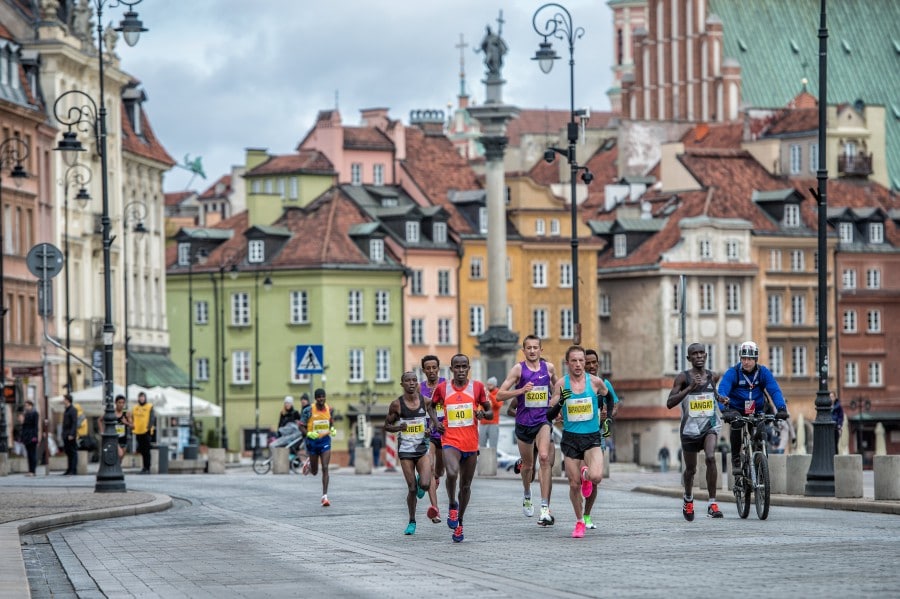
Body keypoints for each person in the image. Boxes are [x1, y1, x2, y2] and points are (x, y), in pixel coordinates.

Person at [427, 353, 491, 542]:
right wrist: (436, 422)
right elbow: (430, 407)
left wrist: (482, 414)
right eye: (457, 367)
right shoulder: (443, 388)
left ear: (468, 368)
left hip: (470, 443)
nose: (461, 370)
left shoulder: (477, 387)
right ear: (451, 369)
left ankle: (460, 523)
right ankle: (452, 505)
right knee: (452, 472)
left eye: (464, 367)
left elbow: (489, 410)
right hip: (450, 440)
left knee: (466, 486)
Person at [546, 345, 609, 538]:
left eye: (581, 360)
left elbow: (608, 396)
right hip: (571, 439)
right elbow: (549, 414)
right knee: (574, 485)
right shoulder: (561, 384)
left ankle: (586, 475)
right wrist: (561, 402)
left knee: (596, 476)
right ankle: (580, 521)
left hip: (591, 437)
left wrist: (606, 417)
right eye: (574, 361)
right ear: (568, 363)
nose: (578, 364)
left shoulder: (596, 382)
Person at [496, 335, 558, 525]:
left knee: (544, 458)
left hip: (542, 421)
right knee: (528, 466)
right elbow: (499, 395)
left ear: (541, 350)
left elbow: (558, 390)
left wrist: (555, 406)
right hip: (523, 424)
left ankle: (545, 508)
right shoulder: (518, 369)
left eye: (535, 347)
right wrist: (520, 391)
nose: (532, 351)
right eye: (528, 348)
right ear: (523, 351)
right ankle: (527, 493)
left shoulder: (549, 368)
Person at [668, 343, 724, 520]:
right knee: (691, 470)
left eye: (701, 353)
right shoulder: (682, 377)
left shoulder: (713, 376)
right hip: (690, 430)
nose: (699, 356)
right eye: (695, 354)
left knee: (710, 457)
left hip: (709, 426)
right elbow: (669, 403)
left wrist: (721, 399)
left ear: (706, 355)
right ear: (688, 358)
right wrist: (689, 388)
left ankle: (712, 504)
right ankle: (688, 498)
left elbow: (713, 395)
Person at [717, 340, 789, 477]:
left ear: (756, 359)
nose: (746, 362)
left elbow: (774, 390)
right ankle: (736, 460)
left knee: (761, 431)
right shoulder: (733, 372)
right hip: (736, 409)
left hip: (756, 409)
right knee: (736, 425)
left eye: (749, 359)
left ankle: (760, 461)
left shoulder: (763, 372)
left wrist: (781, 408)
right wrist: (725, 410)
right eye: (743, 358)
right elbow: (722, 391)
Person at [383, 371, 433, 535]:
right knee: (412, 489)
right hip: (405, 450)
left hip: (421, 448)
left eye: (414, 380)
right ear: (402, 384)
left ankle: (421, 480)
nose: (411, 383)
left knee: (425, 485)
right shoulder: (396, 405)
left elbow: (433, 418)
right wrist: (399, 427)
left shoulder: (425, 401)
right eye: (408, 381)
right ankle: (412, 521)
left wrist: (429, 429)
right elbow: (387, 426)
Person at [582, 347, 620, 530]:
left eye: (594, 362)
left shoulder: (604, 384)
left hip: (598, 434)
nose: (591, 366)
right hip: (577, 434)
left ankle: (587, 515)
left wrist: (607, 415)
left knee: (595, 477)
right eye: (587, 363)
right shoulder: (576, 384)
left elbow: (615, 404)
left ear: (598, 364)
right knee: (580, 476)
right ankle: (580, 514)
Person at [420, 354, 445, 524]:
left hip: (445, 432)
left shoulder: (446, 385)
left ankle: (435, 477)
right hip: (428, 434)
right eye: (428, 368)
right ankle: (435, 510)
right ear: (423, 370)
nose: (431, 371)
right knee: (429, 468)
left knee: (440, 471)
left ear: (438, 368)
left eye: (434, 367)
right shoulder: (419, 388)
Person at [299, 388, 335, 506]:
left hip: (325, 441)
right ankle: (310, 463)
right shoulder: (308, 410)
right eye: (319, 397)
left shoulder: (329, 409)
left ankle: (325, 496)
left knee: (325, 467)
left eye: (323, 396)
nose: (321, 399)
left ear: (325, 397)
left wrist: (332, 430)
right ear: (315, 398)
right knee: (314, 472)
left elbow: (331, 423)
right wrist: (308, 433)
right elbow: (301, 426)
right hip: (312, 442)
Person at [99, 395, 132, 461]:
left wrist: (126, 423)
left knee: (120, 459)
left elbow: (133, 426)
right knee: (120, 454)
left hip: (123, 439)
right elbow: (99, 420)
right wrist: (102, 431)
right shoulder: (112, 412)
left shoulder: (126, 413)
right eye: (119, 402)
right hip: (114, 439)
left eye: (123, 403)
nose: (121, 405)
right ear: (115, 403)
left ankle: (115, 467)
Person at [131, 392, 155, 474]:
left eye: (143, 397)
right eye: (140, 397)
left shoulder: (149, 406)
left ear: (145, 398)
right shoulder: (135, 408)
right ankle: (144, 467)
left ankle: (147, 468)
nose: (141, 398)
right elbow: (132, 417)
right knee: (142, 450)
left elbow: (152, 418)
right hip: (138, 431)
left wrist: (148, 428)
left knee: (146, 450)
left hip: (146, 432)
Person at [478, 376, 502, 449]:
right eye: (487, 384)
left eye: (490, 385)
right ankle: (482, 457)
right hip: (483, 423)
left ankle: (493, 457)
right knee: (481, 445)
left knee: (493, 446)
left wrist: (490, 395)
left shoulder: (499, 393)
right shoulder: (484, 394)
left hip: (493, 423)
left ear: (495, 385)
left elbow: (498, 405)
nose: (488, 386)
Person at [18, 399, 40, 476]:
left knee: (32, 454)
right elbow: (23, 426)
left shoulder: (35, 413)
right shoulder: (25, 414)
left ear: (31, 405)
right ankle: (30, 470)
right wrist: (22, 421)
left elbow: (35, 426)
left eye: (27, 405)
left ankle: (33, 471)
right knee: (29, 454)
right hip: (26, 436)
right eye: (25, 406)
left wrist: (35, 436)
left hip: (32, 436)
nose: (26, 407)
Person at [61, 394, 79, 475]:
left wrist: (71, 434)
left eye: (64, 399)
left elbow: (74, 423)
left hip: (70, 435)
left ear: (68, 400)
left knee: (73, 452)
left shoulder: (73, 410)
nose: (63, 401)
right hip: (65, 434)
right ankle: (69, 469)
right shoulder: (66, 410)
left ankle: (73, 470)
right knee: (68, 452)